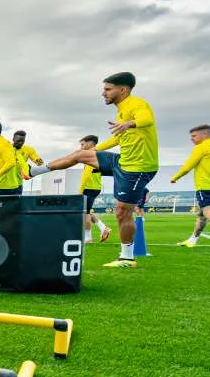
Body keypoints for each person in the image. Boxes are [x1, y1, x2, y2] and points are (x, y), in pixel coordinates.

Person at [27, 72, 158, 268]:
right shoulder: (121, 110)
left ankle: (127, 258)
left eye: (107, 89)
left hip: (138, 168)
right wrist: (97, 149)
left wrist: (130, 123)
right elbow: (118, 139)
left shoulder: (136, 104)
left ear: (122, 90)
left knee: (122, 212)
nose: (103, 93)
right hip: (122, 161)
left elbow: (146, 118)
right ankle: (34, 171)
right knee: (81, 154)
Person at [171, 124, 210, 250]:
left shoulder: (201, 147)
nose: (192, 139)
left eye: (194, 136)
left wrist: (175, 177)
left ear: (205, 135)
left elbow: (188, 165)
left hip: (205, 186)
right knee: (201, 214)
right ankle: (193, 239)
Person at [76, 135, 112, 243]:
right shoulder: (98, 154)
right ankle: (103, 228)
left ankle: (88, 238)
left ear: (90, 143)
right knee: (87, 211)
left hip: (89, 187)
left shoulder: (91, 155)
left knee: (85, 213)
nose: (81, 147)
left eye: (82, 144)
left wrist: (80, 190)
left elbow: (86, 175)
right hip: (95, 187)